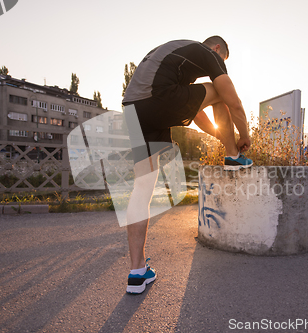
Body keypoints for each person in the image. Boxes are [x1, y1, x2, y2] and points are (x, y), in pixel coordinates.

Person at [122, 36, 253, 294]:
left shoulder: (175, 61)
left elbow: (197, 115)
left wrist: (221, 134)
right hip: (158, 99)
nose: (219, 64)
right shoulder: (206, 53)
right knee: (220, 92)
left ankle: (137, 273)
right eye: (221, 60)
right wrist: (243, 135)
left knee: (143, 188)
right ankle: (233, 156)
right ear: (217, 50)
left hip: (133, 109)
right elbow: (233, 102)